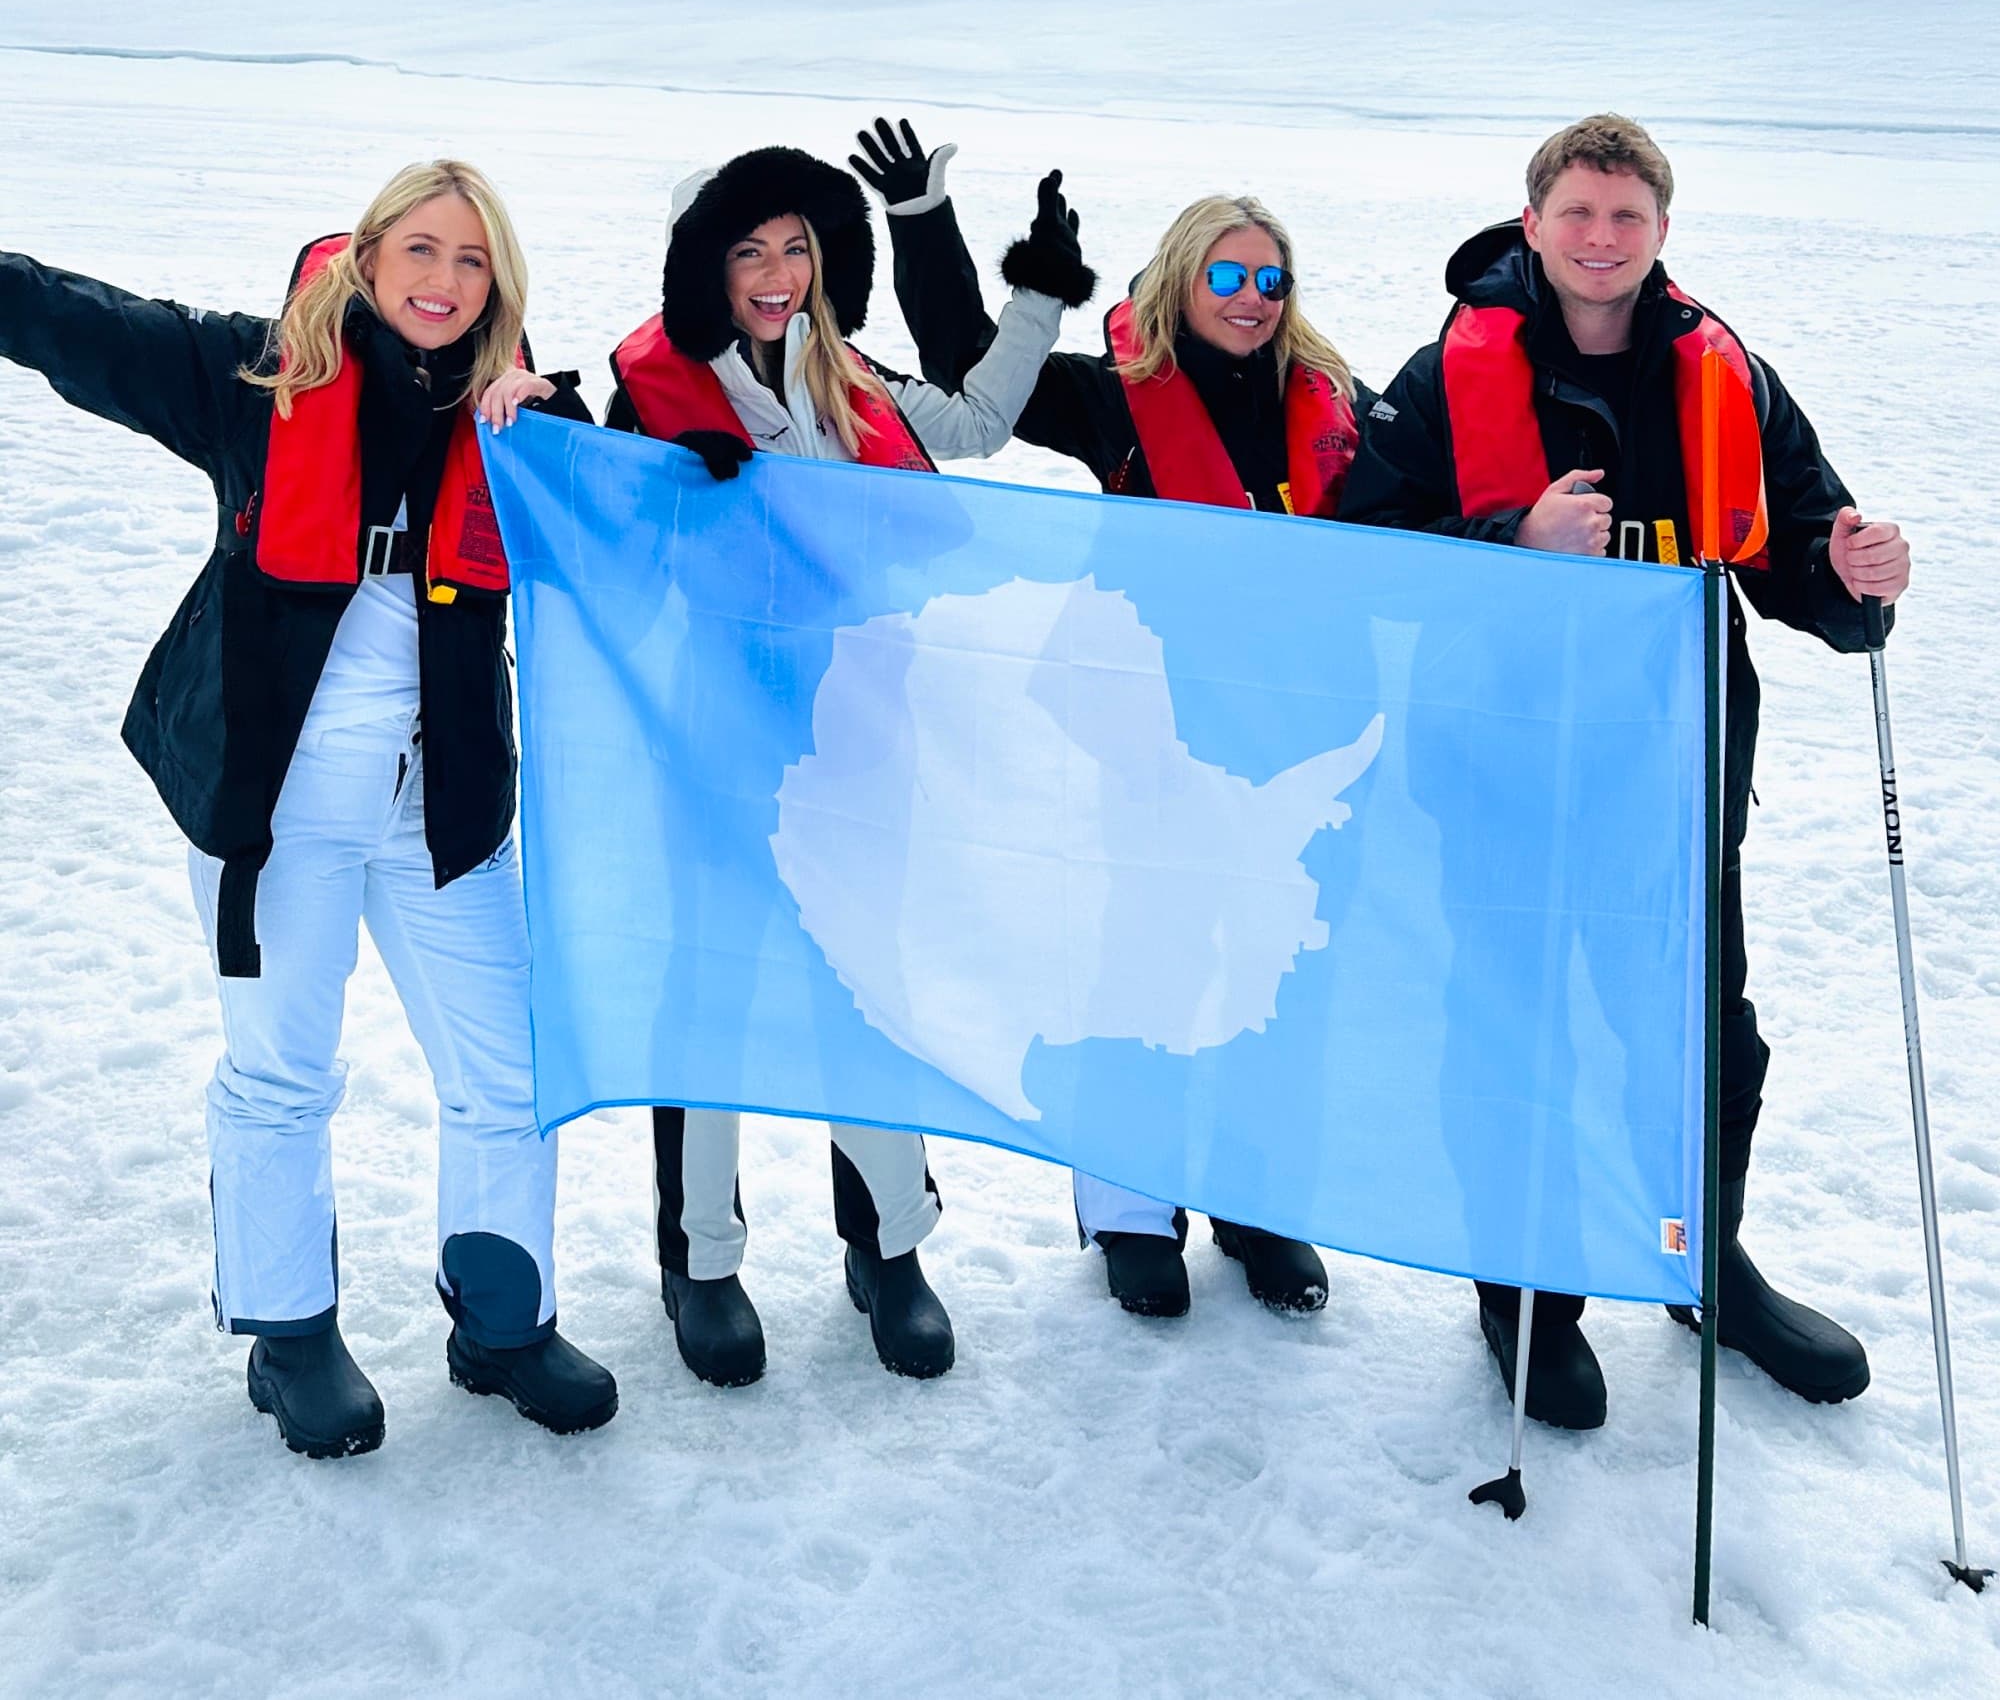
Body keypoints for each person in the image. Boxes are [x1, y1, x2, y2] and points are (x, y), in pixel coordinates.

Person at [0, 161, 619, 1460]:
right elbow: (77, 322)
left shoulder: (515, 422)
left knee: (510, 1069)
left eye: (473, 261)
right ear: (370, 254)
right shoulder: (252, 376)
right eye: (423, 249)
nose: (445, 282)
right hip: (277, 812)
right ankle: (290, 1336)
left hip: (437, 810)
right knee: (282, 1074)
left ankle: (500, 1322)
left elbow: (644, 510)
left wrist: (565, 429)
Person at [1337, 111, 1911, 1429]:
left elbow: (1802, 541)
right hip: (1503, 778)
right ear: (1532, 224)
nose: (1602, 241)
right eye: (1578, 215)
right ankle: (1525, 1289)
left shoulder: (1729, 373)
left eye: (1627, 218)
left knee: (1706, 1041)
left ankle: (1700, 1257)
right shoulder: (1442, 379)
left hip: (1676, 774)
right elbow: (1361, 550)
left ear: (1661, 233)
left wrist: (1856, 577)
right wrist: (1508, 538)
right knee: (1515, 1035)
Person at [605, 140, 1099, 1391]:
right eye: (745, 251)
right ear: (698, 267)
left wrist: (1034, 288)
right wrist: (668, 498)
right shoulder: (649, 394)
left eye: (795, 248)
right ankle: (701, 1258)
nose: (775, 275)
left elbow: (981, 422)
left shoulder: (852, 378)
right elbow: (603, 551)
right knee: (715, 995)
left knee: (871, 985)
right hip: (713, 749)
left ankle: (888, 1246)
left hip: (866, 743)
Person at [854, 116, 1364, 1325]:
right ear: (1180, 280)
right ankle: (1133, 1205)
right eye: (1225, 274)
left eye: (1268, 277)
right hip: (1150, 725)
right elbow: (970, 357)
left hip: (1298, 728)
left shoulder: (1341, 402)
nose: (1248, 296)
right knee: (1145, 954)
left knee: (1272, 965)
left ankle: (1257, 1195)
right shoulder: (1115, 398)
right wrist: (926, 224)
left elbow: (1437, 511)